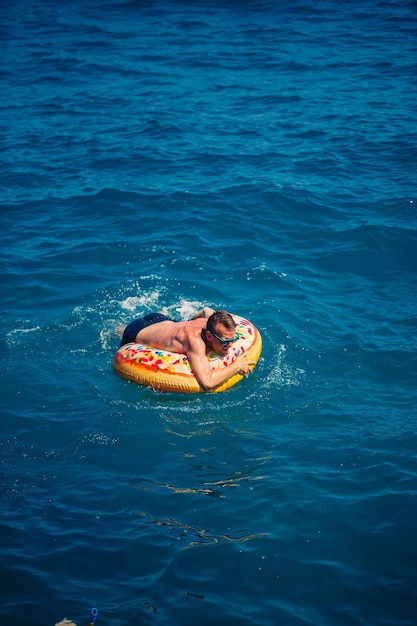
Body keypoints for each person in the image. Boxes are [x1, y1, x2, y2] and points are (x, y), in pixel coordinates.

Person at [120, 307, 255, 391]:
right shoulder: (194, 341)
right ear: (208, 335)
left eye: (232, 339)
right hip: (137, 331)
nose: (230, 345)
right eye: (225, 341)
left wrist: (190, 320)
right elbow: (207, 383)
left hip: (163, 319)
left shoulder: (210, 322)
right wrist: (237, 366)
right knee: (116, 333)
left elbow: (206, 310)